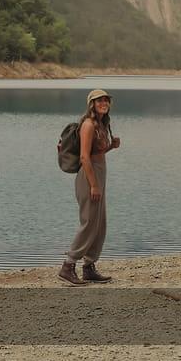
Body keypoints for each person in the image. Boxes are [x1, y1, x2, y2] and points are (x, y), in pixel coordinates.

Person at [58, 89, 120, 285]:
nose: (103, 103)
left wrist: (111, 146)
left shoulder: (101, 124)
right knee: (89, 222)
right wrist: (93, 185)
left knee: (100, 223)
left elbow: (96, 153)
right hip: (89, 177)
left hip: (99, 175)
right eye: (99, 101)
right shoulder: (88, 125)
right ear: (91, 104)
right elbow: (85, 157)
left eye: (106, 100)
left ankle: (89, 267)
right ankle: (68, 266)